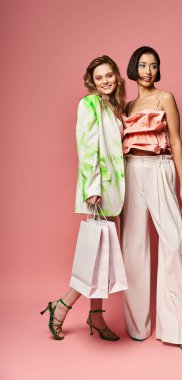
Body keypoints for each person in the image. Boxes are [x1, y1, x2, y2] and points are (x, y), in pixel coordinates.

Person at [41, 55, 126, 341]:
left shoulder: (113, 107)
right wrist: (92, 188)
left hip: (114, 193)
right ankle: (61, 307)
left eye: (109, 75)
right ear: (92, 81)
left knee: (104, 257)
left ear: (116, 76)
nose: (105, 81)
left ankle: (97, 316)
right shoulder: (89, 103)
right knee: (94, 255)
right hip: (98, 191)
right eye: (99, 77)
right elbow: (87, 146)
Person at [121, 46, 182, 350]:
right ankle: (138, 327)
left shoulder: (166, 98)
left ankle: (180, 330)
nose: (148, 71)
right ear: (133, 68)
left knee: (172, 241)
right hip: (131, 171)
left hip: (160, 169)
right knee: (133, 246)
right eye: (142, 65)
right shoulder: (126, 107)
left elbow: (176, 141)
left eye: (153, 65)